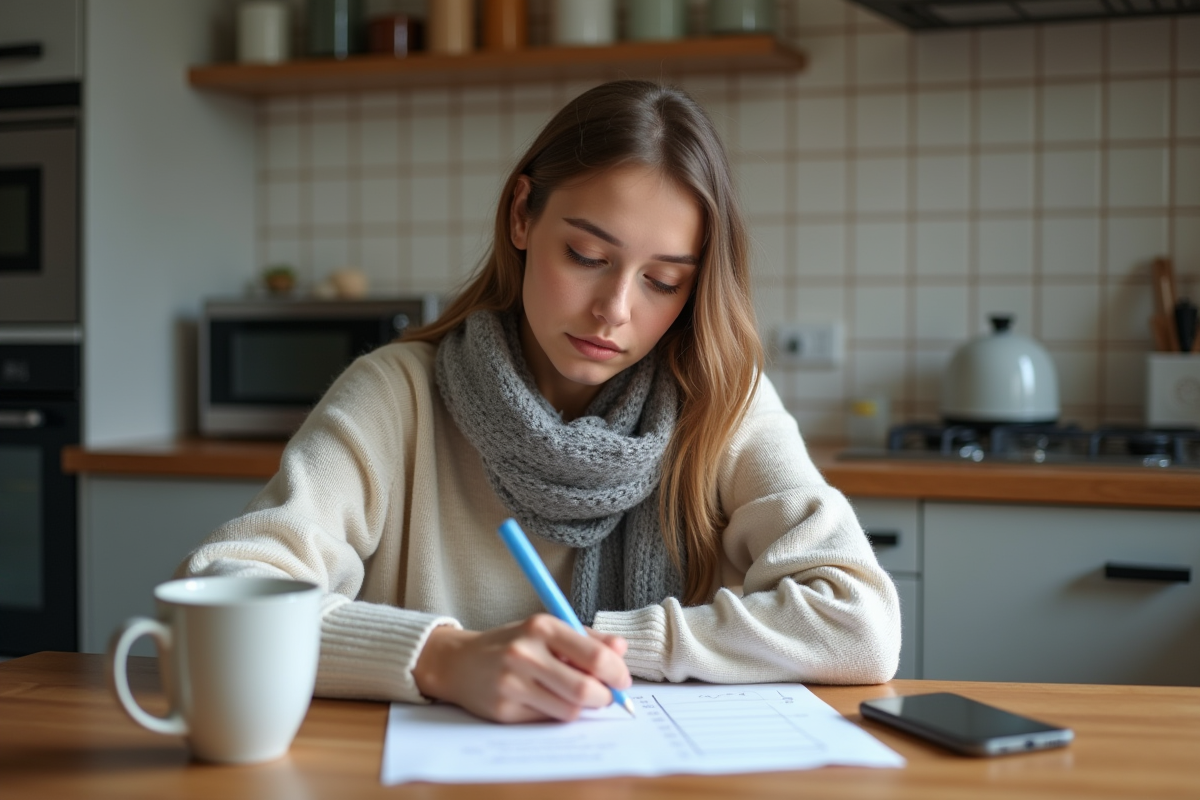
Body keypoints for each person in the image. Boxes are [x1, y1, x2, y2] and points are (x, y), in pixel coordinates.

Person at [178, 80, 900, 724]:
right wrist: (441, 659)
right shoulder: (396, 394)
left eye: (663, 281)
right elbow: (222, 591)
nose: (614, 309)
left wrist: (610, 646)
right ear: (523, 216)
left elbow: (860, 624)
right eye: (587, 257)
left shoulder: (723, 406)